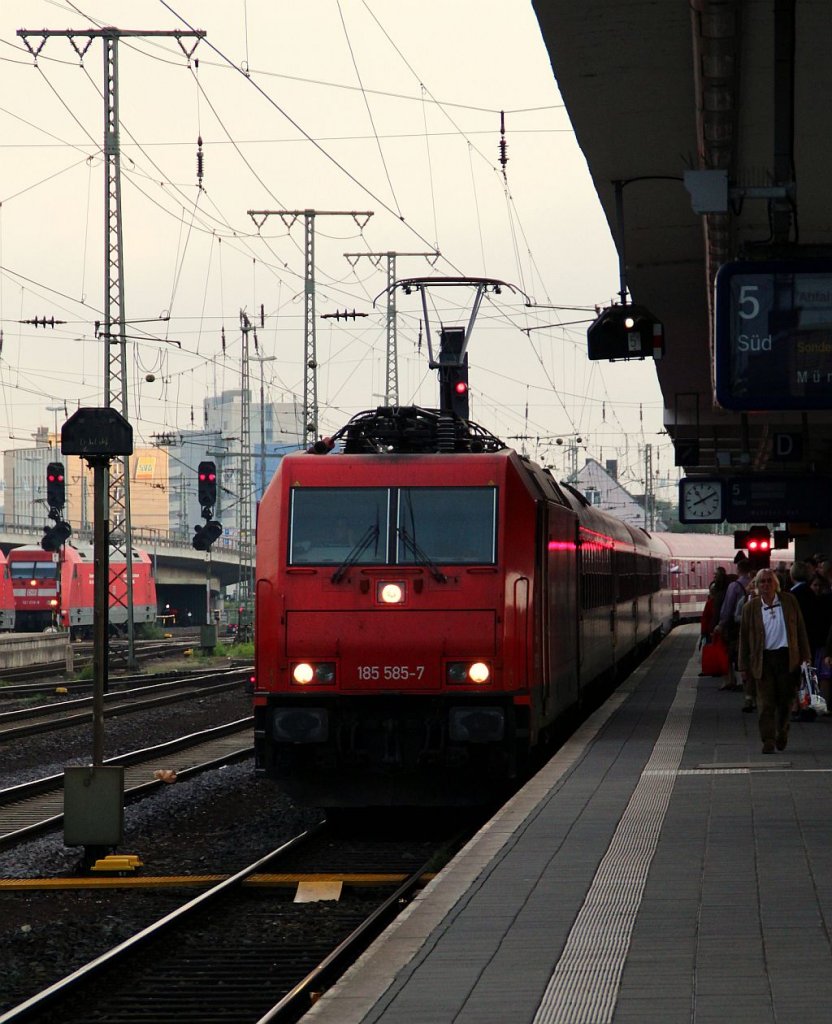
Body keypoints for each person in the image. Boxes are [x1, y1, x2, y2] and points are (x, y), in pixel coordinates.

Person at [738, 567, 812, 754]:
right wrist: (743, 665)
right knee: (765, 702)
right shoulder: (750, 608)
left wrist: (806, 656)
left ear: (776, 584)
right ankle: (768, 739)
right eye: (762, 581)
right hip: (763, 659)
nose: (766, 585)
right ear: (756, 585)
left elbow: (801, 629)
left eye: (769, 581)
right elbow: (744, 638)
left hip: (787, 658)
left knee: (785, 701)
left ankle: (782, 731)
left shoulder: (789, 601)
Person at [713, 557, 753, 692]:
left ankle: (737, 679)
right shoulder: (756, 584)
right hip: (755, 625)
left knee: (734, 653)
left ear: (738, 570)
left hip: (737, 625)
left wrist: (721, 624)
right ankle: (749, 680)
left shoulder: (734, 586)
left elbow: (728, 607)